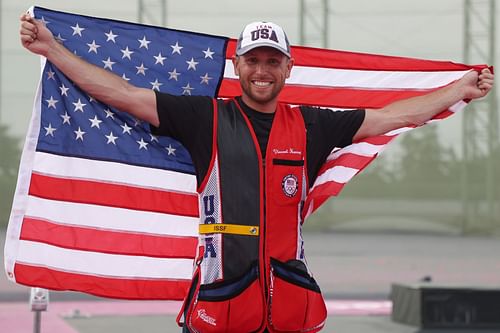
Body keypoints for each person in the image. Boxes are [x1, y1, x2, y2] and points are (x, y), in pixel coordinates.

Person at [20, 14, 493, 333]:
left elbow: (394, 116)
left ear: (287, 68)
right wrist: (52, 49)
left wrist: (459, 88)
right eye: (253, 61)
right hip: (221, 304)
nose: (262, 70)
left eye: (272, 61)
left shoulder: (313, 123)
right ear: (238, 65)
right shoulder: (203, 117)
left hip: (289, 305)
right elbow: (124, 95)